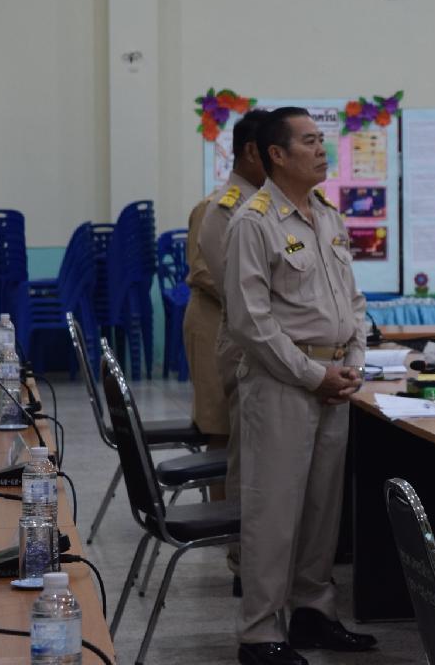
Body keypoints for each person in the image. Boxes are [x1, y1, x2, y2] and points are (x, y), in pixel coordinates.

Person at [225, 108, 375, 665]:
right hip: (283, 385)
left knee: (321, 510)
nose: (321, 150)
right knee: (274, 511)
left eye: (321, 140)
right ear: (277, 155)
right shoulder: (254, 221)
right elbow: (251, 322)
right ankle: (260, 632)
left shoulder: (327, 216)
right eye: (309, 142)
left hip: (333, 381)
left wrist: (352, 360)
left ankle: (314, 613)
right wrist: (315, 375)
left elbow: (352, 302)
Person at [183, 110, 267, 590]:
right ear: (252, 151)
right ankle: (224, 533)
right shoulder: (219, 206)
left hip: (244, 326)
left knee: (243, 436)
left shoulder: (269, 205)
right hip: (215, 322)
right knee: (221, 429)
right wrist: (256, 297)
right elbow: (201, 270)